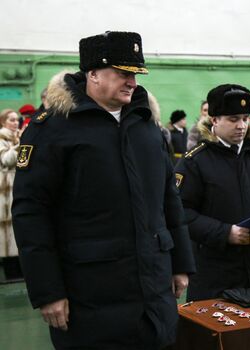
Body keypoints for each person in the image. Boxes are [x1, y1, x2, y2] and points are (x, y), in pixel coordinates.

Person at [12, 31, 195, 349]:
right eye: (123, 73)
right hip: (89, 295)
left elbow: (168, 199)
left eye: (135, 74)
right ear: (93, 73)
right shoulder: (52, 130)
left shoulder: (147, 126)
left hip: (153, 291)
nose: (132, 83)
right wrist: (48, 291)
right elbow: (31, 214)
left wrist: (180, 264)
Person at [175, 83, 250, 301]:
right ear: (214, 120)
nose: (241, 125)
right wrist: (224, 232)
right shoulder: (195, 162)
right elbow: (180, 213)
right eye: (233, 119)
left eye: (245, 118)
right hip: (215, 270)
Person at [0, 109, 21, 280]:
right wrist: (19, 146)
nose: (16, 123)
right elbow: (6, 160)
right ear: (3, 122)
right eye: (12, 120)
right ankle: (10, 272)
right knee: (7, 233)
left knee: (17, 228)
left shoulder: (17, 137)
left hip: (17, 186)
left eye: (17, 120)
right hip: (5, 191)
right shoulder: (1, 138)